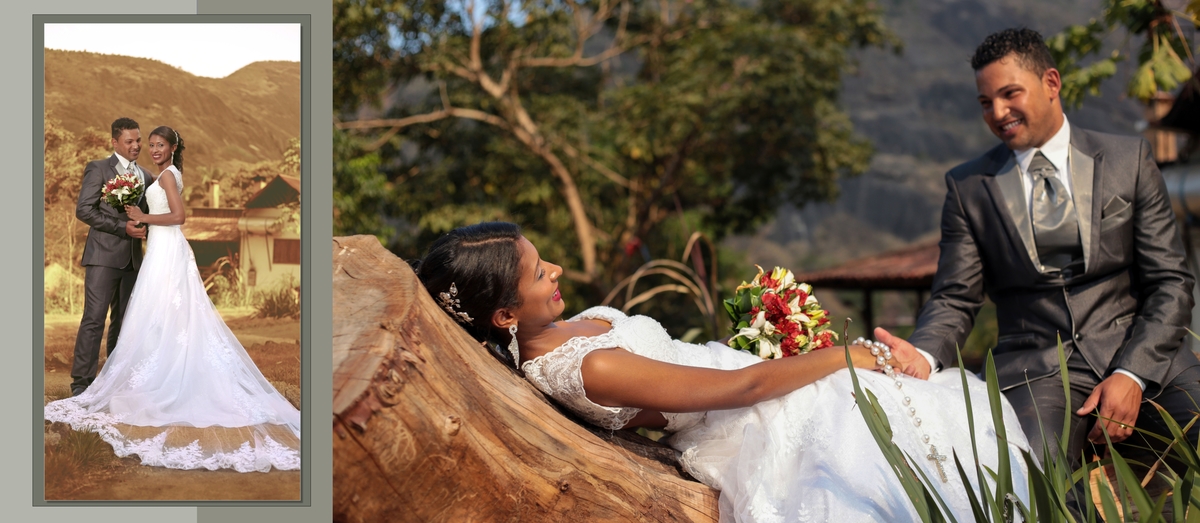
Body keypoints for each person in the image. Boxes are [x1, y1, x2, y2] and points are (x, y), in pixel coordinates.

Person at [415, 221, 1031, 522]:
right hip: (754, 416)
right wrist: (846, 355)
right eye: (537, 273)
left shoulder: (561, 332)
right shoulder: (586, 368)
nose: (554, 270)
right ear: (504, 315)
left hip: (756, 380)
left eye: (542, 258)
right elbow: (742, 388)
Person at [875, 28, 1200, 512]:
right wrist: (922, 353)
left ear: (1051, 82)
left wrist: (1132, 373)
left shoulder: (1128, 159)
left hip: (1140, 352)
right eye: (985, 102)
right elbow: (955, 296)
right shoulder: (969, 187)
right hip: (1035, 370)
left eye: (1010, 94)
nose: (998, 112)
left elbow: (1170, 282)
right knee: (1031, 480)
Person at [45, 126, 300, 473]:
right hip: (145, 251)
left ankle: (159, 382)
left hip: (162, 252)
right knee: (145, 317)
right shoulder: (140, 173)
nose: (150, 149)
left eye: (158, 144)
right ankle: (117, 382)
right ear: (118, 142)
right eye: (147, 144)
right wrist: (131, 221)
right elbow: (91, 209)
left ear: (173, 147)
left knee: (157, 317)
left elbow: (179, 217)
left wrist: (143, 217)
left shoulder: (162, 175)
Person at [72, 117, 149, 397]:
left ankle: (113, 381)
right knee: (94, 320)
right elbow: (84, 210)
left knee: (124, 324)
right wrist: (121, 227)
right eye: (129, 141)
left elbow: (147, 215)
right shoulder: (99, 168)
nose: (135, 145)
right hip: (102, 257)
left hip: (133, 260)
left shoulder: (146, 176)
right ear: (115, 142)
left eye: (138, 140)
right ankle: (81, 384)